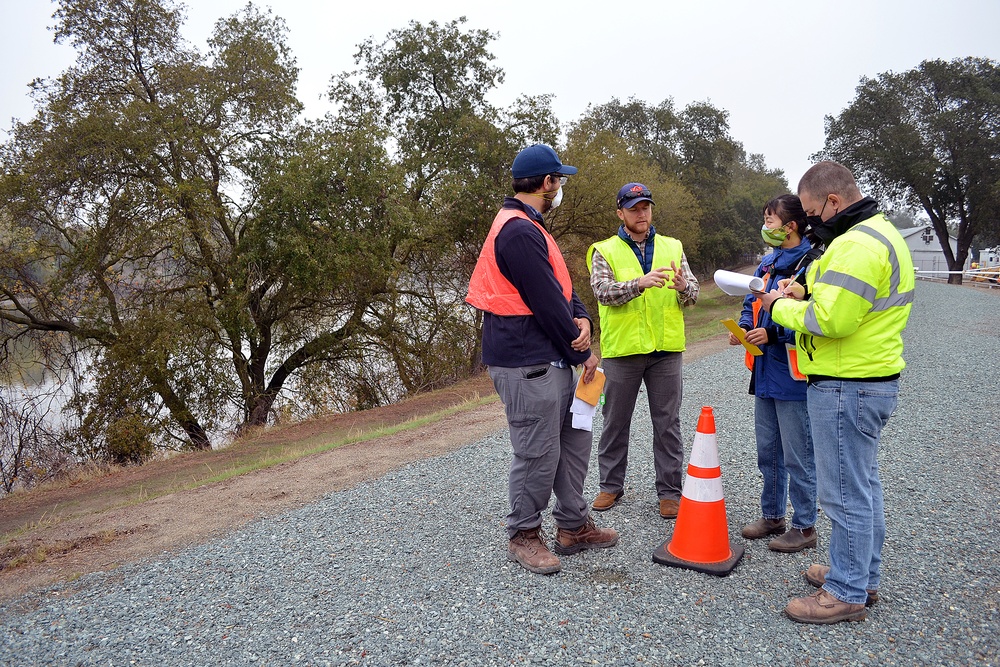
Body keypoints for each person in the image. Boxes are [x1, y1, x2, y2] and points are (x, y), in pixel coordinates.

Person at [758, 161, 914, 624]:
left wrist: (780, 305)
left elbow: (831, 321)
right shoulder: (880, 234)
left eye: (810, 212)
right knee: (862, 486)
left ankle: (845, 591)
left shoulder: (856, 245)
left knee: (843, 492)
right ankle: (861, 574)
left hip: (847, 383)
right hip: (869, 379)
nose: (809, 223)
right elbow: (834, 295)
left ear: (833, 202)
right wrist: (803, 286)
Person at [466, 144, 618, 575]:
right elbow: (547, 303)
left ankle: (573, 526)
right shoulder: (517, 231)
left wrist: (583, 315)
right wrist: (584, 350)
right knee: (537, 452)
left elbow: (559, 289)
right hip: (525, 362)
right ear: (547, 182)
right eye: (559, 180)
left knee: (572, 445)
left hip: (548, 358)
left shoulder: (530, 226)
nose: (561, 187)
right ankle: (524, 534)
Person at [586, 182, 699, 520]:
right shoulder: (603, 250)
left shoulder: (673, 246)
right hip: (623, 352)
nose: (641, 213)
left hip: (666, 350)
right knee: (615, 422)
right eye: (634, 208)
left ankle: (669, 492)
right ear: (620, 213)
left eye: (645, 206)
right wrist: (639, 283)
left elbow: (693, 293)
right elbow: (602, 292)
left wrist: (682, 288)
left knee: (668, 424)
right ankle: (610, 486)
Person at [730, 195, 818, 553]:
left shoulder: (813, 266)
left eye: (770, 221)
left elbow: (816, 319)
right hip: (764, 373)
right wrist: (743, 327)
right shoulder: (766, 265)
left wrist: (774, 333)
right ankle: (772, 516)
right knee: (768, 452)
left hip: (794, 378)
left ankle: (805, 525)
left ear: (791, 225)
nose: (766, 227)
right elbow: (749, 303)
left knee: (799, 455)